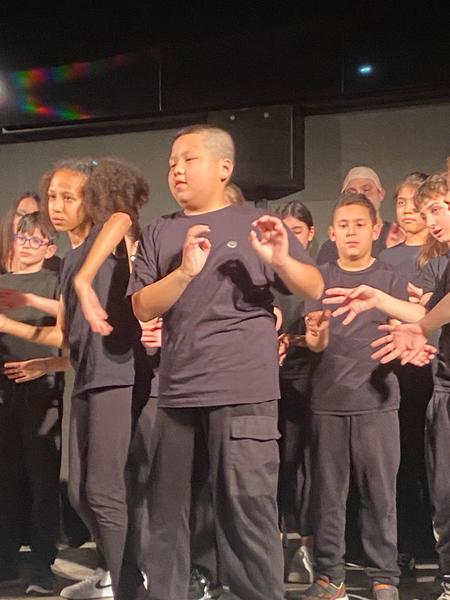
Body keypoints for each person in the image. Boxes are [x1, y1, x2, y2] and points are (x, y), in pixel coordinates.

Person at [128, 124, 323, 600]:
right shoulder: (160, 231)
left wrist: (282, 259)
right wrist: (184, 273)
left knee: (247, 509)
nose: (177, 170)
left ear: (224, 167)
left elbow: (314, 287)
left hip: (244, 389)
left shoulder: (257, 223)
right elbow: (142, 307)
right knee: (167, 512)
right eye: (172, 162)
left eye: (189, 159)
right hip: (178, 390)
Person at [0, 157, 151, 600]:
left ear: (94, 199)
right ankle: (119, 576)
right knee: (83, 493)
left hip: (118, 375)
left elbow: (122, 217)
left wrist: (85, 280)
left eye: (70, 197)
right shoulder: (69, 263)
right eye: (53, 196)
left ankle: (126, 583)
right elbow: (65, 336)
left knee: (104, 490)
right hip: (87, 378)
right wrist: (33, 351)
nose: (57, 205)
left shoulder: (110, 238)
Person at [301, 192, 425, 600]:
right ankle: (329, 576)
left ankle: (384, 575)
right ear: (332, 232)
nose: (350, 232)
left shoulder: (389, 278)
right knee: (329, 496)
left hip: (378, 401)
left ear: (375, 230)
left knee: (379, 494)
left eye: (359, 224)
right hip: (328, 400)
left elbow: (419, 319)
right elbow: (315, 342)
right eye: (343, 225)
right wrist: (316, 335)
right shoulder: (319, 277)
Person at [371, 171, 450, 600]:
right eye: (426, 211)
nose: (430, 220)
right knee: (443, 491)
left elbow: (435, 313)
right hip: (442, 384)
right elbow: (429, 311)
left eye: (437, 209)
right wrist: (376, 297)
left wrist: (420, 326)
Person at [0, 211, 64, 595]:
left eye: (35, 239)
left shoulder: (53, 284)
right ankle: (6, 562)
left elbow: (66, 334)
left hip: (42, 392)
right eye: (22, 237)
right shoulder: (2, 282)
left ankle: (42, 566)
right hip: (4, 393)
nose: (26, 245)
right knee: (5, 481)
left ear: (49, 249)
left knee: (43, 482)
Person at [377, 172, 435, 576]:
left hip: (437, 369)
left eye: (416, 203)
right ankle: (406, 546)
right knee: (404, 461)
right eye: (401, 203)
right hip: (402, 373)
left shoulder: (440, 255)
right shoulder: (388, 259)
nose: (408, 210)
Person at [273, 200, 317, 584]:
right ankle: (273, 542)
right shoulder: (267, 276)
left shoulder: (315, 277)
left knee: (304, 464)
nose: (291, 238)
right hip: (269, 381)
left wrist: (295, 339)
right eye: (285, 231)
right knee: (275, 464)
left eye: (298, 231)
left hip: (308, 380)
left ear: (311, 233)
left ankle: (306, 545)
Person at [317, 166, 401, 265]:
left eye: (366, 190)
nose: (360, 196)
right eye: (352, 192)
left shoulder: (397, 235)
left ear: (381, 194)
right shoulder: (331, 247)